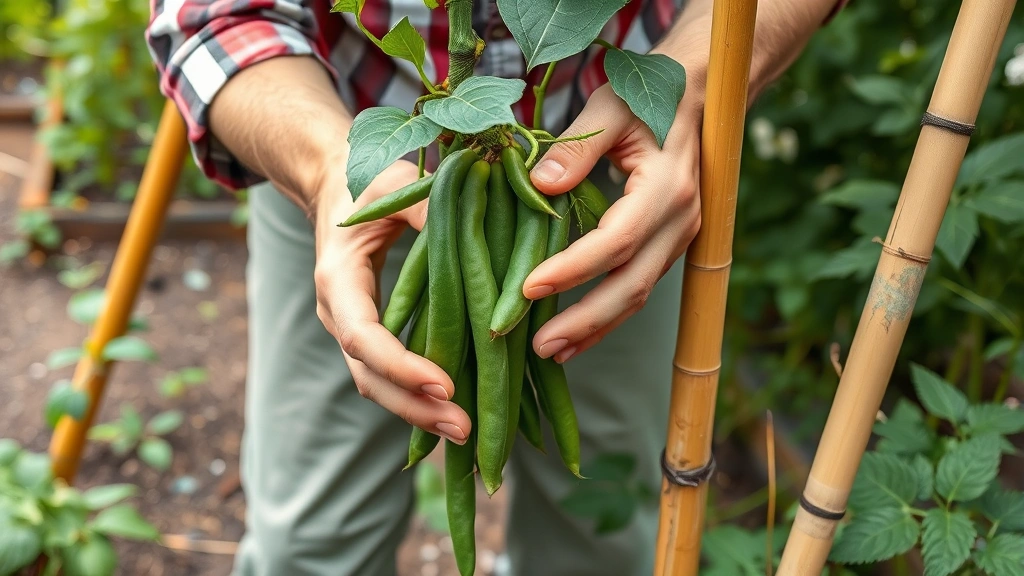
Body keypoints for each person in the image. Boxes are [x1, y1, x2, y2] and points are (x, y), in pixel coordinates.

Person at [147, 0, 846, 574]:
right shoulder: (343, 163)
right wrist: (328, 168)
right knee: (312, 545)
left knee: (598, 539)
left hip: (625, 168)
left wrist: (692, 85)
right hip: (349, 155)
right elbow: (214, 16)